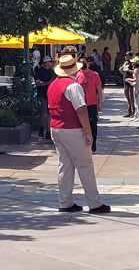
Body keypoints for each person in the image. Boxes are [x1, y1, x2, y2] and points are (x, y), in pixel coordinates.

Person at [49, 54, 110, 214]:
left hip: (56, 127)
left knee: (65, 165)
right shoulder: (73, 86)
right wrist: (88, 132)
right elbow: (81, 110)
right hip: (72, 129)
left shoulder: (53, 85)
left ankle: (65, 201)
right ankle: (95, 203)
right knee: (85, 165)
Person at [75, 59, 104, 152]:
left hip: (92, 103)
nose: (83, 64)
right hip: (80, 103)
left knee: (92, 123)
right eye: (81, 62)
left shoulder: (94, 75)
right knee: (81, 123)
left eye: (84, 62)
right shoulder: (77, 75)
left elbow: (99, 90)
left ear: (88, 63)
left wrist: (100, 103)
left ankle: (94, 140)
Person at [35, 55, 56, 139]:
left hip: (50, 95)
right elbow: (37, 83)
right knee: (43, 114)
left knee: (49, 114)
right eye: (48, 62)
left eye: (50, 62)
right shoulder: (39, 71)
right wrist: (46, 83)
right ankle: (42, 127)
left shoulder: (52, 72)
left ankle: (48, 131)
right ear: (44, 63)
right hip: (42, 95)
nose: (49, 63)